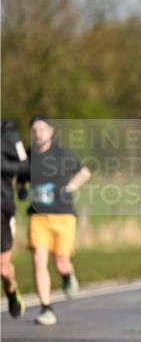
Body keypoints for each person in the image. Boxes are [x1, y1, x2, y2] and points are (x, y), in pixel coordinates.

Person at [25, 116, 91, 326]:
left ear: (51, 132)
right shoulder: (27, 156)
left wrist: (70, 188)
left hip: (63, 215)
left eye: (42, 129)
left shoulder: (61, 155)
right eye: (34, 130)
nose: (38, 133)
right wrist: (19, 189)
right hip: (38, 216)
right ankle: (46, 308)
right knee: (38, 258)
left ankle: (67, 274)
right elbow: (21, 177)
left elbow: (85, 171)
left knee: (61, 262)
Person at [2, 118, 30, 318]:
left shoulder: (7, 133)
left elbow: (25, 166)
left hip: (1, 209)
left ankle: (11, 291)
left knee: (3, 270)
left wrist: (3, 166)